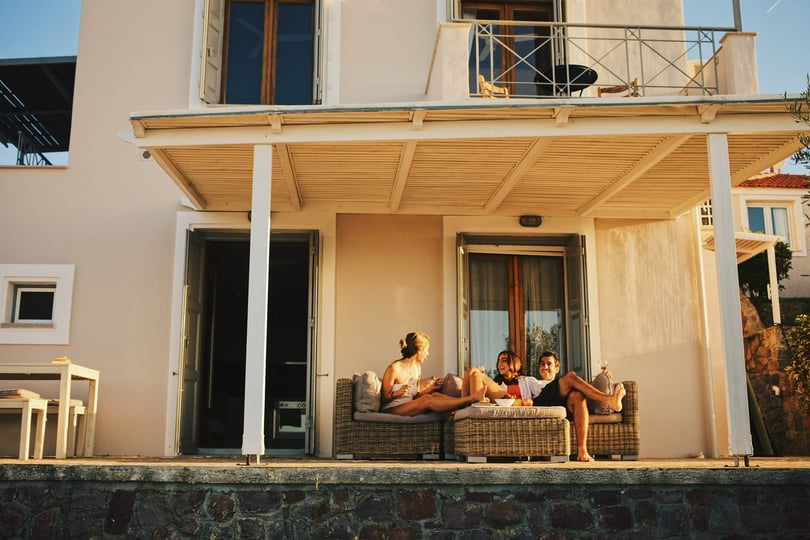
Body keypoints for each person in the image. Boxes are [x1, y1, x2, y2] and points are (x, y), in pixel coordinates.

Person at [532, 350, 626, 462]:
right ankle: (609, 400)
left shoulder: (561, 383)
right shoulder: (532, 381)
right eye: (542, 364)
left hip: (563, 404)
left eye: (549, 364)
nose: (545, 367)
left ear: (557, 369)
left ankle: (582, 452)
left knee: (578, 395)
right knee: (571, 376)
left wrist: (605, 378)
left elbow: (583, 387)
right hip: (544, 402)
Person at [381, 331, 485, 415]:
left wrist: (431, 388)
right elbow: (384, 399)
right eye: (426, 350)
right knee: (427, 399)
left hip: (409, 405)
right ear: (419, 350)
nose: (428, 354)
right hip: (392, 409)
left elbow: (416, 397)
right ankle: (471, 399)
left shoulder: (417, 368)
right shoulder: (394, 368)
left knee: (435, 395)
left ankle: (465, 406)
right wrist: (396, 394)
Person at [462, 350, 546, 402]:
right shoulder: (496, 383)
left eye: (504, 360)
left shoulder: (527, 381)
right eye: (498, 361)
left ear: (514, 363)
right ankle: (466, 406)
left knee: (475, 373)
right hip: (501, 405)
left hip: (515, 406)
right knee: (473, 373)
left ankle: (463, 406)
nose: (499, 363)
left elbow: (545, 388)